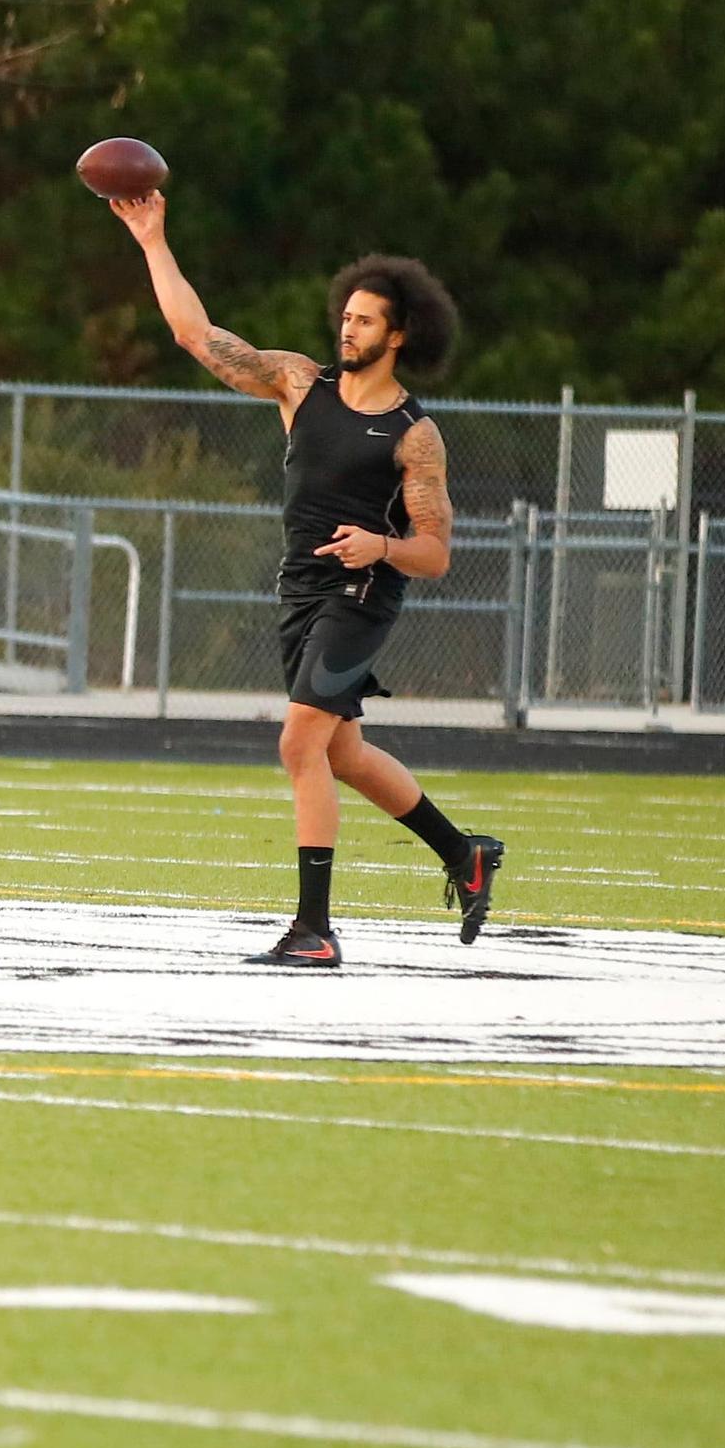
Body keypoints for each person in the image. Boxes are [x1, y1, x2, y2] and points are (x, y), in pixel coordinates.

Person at [113, 191, 503, 964]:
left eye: (364, 320)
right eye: (346, 315)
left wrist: (379, 548)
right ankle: (465, 855)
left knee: (300, 746)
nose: (347, 327)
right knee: (344, 755)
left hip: (361, 596)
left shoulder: (415, 437)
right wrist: (153, 239)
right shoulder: (298, 384)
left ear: (398, 335)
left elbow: (434, 553)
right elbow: (197, 335)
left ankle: (314, 930)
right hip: (300, 590)